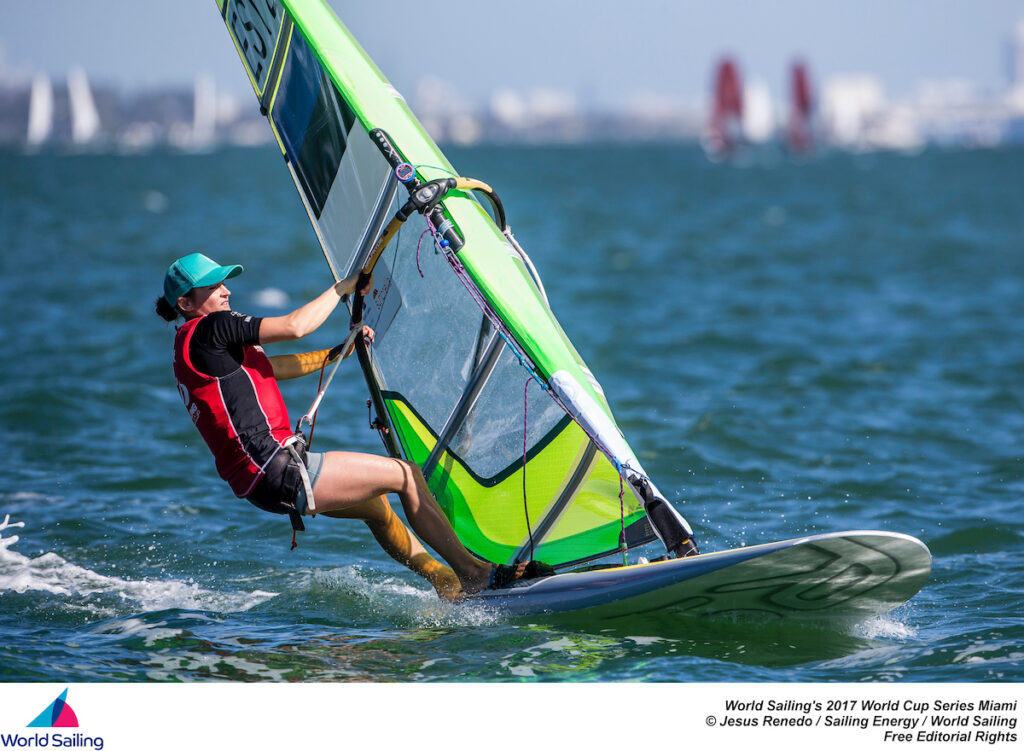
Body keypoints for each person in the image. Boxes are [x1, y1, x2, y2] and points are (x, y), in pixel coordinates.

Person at [156, 252, 548, 599]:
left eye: (224, 282)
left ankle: (444, 581)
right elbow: (294, 326)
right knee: (406, 475)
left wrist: (336, 352)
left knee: (377, 508)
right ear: (185, 303)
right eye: (211, 287)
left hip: (259, 483)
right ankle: (475, 574)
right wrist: (343, 287)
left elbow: (272, 369)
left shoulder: (188, 345)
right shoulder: (210, 329)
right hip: (277, 468)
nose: (225, 291)